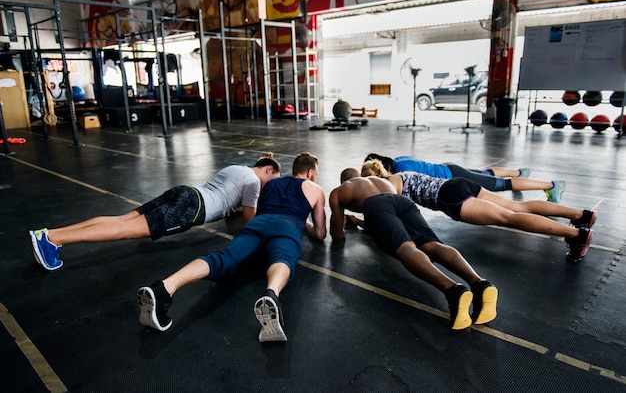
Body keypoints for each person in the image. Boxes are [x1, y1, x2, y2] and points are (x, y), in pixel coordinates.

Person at [137, 152, 327, 342]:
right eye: (315, 174)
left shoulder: (271, 184)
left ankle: (164, 287)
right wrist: (305, 222)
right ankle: (271, 295)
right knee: (282, 258)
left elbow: (260, 210)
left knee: (223, 258)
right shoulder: (315, 189)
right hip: (287, 225)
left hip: (257, 224)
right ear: (310, 173)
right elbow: (320, 234)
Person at [29, 154, 282, 271]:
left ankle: (49, 233)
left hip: (186, 193)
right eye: (274, 179)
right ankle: (53, 241)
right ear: (268, 168)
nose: (270, 185)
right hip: (191, 208)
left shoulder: (237, 168)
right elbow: (250, 219)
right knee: (125, 230)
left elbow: (229, 203)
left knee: (121, 219)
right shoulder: (252, 183)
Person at [329, 168, 497, 331]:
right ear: (358, 175)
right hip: (401, 201)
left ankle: (454, 291)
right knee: (431, 245)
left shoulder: (339, 191)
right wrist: (358, 221)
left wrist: (343, 221)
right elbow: (385, 219)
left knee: (405, 248)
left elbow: (338, 235)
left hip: (376, 206)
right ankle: (480, 284)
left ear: (343, 181)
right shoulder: (380, 181)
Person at [360, 159, 595, 263]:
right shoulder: (403, 174)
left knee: (509, 218)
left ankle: (576, 235)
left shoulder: (390, 187)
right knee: (517, 208)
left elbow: (391, 218)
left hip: (451, 198)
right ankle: (579, 215)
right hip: (457, 185)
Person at [364, 153, 566, 203]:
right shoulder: (400, 159)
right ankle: (520, 172)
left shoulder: (399, 172)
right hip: (449, 167)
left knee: (500, 185)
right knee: (487, 174)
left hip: (453, 176)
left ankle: (551, 185)